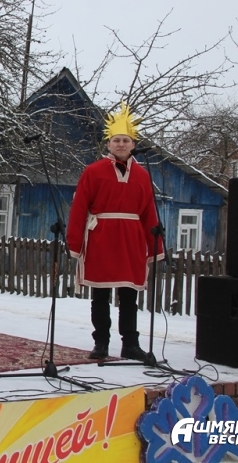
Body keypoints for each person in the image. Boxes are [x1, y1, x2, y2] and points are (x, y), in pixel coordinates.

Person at [66, 101, 164, 362]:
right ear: (108, 144)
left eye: (125, 140)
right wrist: (75, 243)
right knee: (100, 294)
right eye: (116, 140)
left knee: (129, 295)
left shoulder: (143, 175)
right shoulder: (93, 171)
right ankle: (101, 343)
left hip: (131, 239)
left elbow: (149, 212)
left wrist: (156, 246)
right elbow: (79, 208)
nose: (121, 144)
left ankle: (130, 344)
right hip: (101, 238)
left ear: (133, 144)